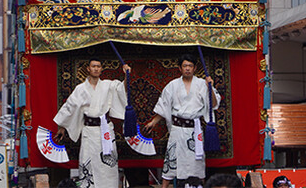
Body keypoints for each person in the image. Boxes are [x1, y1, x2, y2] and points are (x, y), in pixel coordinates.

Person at [145, 54, 220, 188]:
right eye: (185, 66)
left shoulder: (202, 84)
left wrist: (210, 87)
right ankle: (164, 186)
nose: (187, 69)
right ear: (180, 68)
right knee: (171, 159)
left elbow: (213, 104)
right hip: (177, 129)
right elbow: (164, 106)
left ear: (195, 68)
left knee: (197, 162)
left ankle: (199, 185)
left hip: (194, 130)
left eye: (190, 66)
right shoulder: (172, 85)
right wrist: (153, 122)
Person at [54, 58, 131, 188]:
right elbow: (70, 107)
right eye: (93, 66)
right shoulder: (81, 89)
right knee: (87, 160)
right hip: (89, 130)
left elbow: (121, 90)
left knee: (108, 164)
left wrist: (126, 75)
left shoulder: (108, 85)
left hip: (105, 129)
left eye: (98, 66)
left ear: (101, 69)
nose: (96, 68)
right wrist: (62, 127)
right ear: (88, 69)